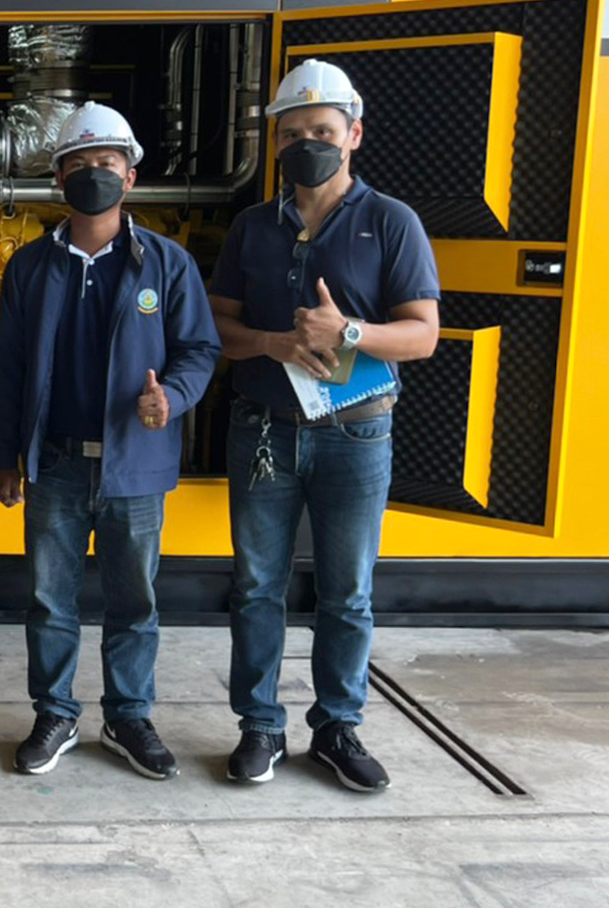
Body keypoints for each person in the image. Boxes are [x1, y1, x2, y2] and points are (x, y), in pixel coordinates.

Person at [208, 59, 440, 792]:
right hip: (265, 430)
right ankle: (260, 727)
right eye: (293, 133)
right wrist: (273, 344)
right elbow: (218, 327)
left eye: (322, 130)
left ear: (353, 135)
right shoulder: (252, 227)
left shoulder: (392, 223)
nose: (307, 142)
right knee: (256, 586)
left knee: (347, 591)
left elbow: (423, 335)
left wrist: (349, 333)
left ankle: (337, 728)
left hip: (356, 434)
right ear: (276, 142)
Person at [0, 103, 220, 780]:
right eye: (79, 164)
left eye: (107, 163)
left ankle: (128, 716)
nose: (94, 174)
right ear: (59, 178)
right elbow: (6, 369)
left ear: (131, 176)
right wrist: (4, 457)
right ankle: (55, 713)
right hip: (55, 463)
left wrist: (173, 396)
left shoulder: (167, 265)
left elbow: (200, 349)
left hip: (135, 467)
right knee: (49, 600)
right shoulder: (31, 266)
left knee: (134, 602)